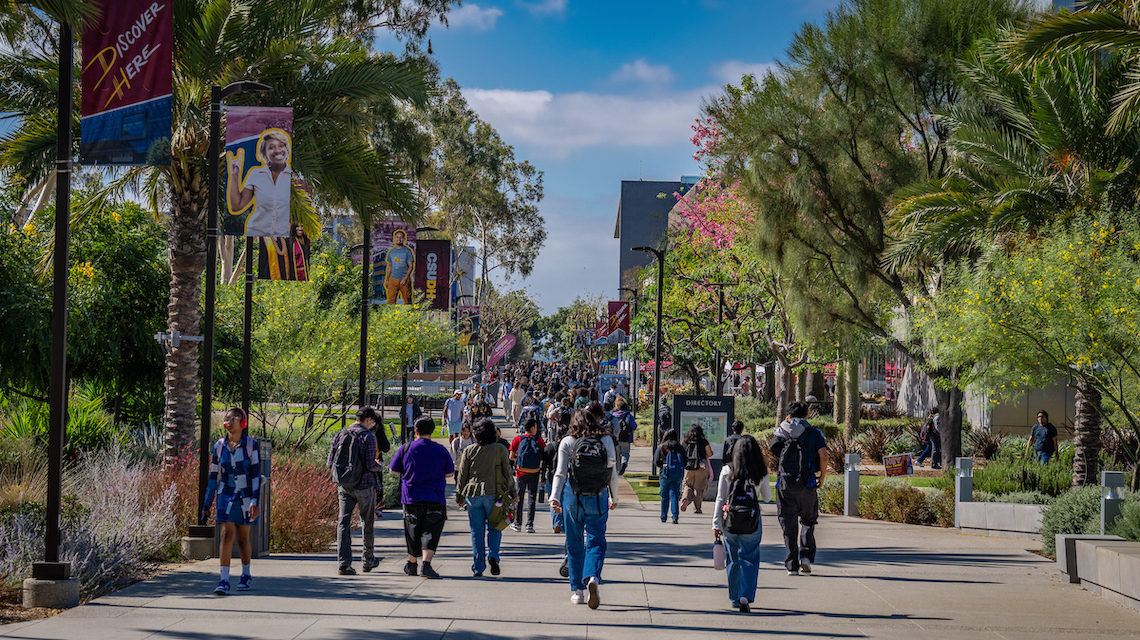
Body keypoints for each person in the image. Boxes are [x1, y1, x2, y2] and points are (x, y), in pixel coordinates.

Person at [551, 409, 620, 609]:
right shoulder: (605, 441)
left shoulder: (567, 442)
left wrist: (554, 497)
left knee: (574, 543)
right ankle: (592, 578)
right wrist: (613, 497)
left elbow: (560, 473)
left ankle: (577, 591)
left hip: (573, 497)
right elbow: (613, 473)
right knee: (596, 542)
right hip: (598, 497)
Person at [202, 408, 262, 595]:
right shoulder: (219, 446)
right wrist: (206, 505)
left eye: (234, 418)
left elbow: (255, 475)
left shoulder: (251, 445)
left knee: (243, 539)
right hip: (225, 495)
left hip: (245, 497)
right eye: (227, 418)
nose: (230, 421)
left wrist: (255, 501)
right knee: (226, 535)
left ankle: (245, 574)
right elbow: (213, 477)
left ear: (242, 422)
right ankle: (224, 580)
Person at [389, 416, 455, 579]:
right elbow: (450, 473)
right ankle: (426, 565)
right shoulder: (440, 450)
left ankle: (412, 564)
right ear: (432, 431)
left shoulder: (406, 448)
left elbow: (393, 469)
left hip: (411, 496)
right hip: (435, 496)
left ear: (415, 431)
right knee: (431, 531)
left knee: (412, 529)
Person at [712, 435, 772, 613]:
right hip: (752, 520)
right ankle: (745, 595)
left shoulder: (727, 471)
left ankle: (734, 597)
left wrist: (716, 523)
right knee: (750, 558)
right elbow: (768, 498)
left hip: (729, 521)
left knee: (733, 559)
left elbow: (720, 498)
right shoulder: (760, 471)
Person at [768, 402, 828, 576]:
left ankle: (791, 565)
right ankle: (806, 558)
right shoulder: (814, 433)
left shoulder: (782, 431)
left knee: (788, 524)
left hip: (784, 485)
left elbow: (773, 449)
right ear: (806, 416)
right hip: (807, 484)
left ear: (788, 415)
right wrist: (822, 477)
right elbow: (824, 455)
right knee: (809, 521)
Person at [326, 406, 386, 575]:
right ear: (367, 419)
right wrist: (380, 466)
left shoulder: (341, 434)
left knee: (343, 523)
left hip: (345, 486)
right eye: (372, 421)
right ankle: (368, 560)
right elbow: (370, 464)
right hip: (364, 485)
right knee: (367, 522)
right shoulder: (368, 437)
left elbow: (330, 462)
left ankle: (344, 563)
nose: (372, 424)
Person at [455, 417, 516, 577]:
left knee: (477, 531)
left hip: (473, 495)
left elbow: (462, 476)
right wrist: (513, 492)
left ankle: (478, 565)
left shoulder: (469, 450)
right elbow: (508, 474)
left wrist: (459, 496)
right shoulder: (500, 449)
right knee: (495, 527)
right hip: (494, 495)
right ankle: (494, 556)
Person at [226, 129, 291, 237]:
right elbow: (236, 206)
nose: (277, 150)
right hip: (256, 236)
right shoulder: (256, 174)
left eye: (281, 145)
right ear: (264, 153)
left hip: (283, 238)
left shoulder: (293, 177)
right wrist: (234, 175)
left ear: (287, 149)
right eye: (271, 147)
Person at [509, 418, 547, 533]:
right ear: (532, 428)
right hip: (534, 472)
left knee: (519, 498)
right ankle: (529, 525)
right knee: (531, 498)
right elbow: (542, 456)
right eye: (535, 427)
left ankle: (518, 523)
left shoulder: (518, 439)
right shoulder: (539, 440)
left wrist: (519, 460)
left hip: (521, 472)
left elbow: (511, 457)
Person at [680, 424, 714, 514]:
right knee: (698, 488)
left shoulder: (685, 441)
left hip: (689, 466)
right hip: (701, 466)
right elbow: (709, 454)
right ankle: (697, 508)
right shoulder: (703, 441)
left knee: (688, 485)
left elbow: (682, 453)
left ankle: (685, 499)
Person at [655, 428, 687, 524]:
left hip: (664, 474)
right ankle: (675, 517)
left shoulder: (662, 447)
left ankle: (663, 516)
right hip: (676, 474)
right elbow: (685, 461)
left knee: (664, 496)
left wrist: (663, 466)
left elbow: (656, 461)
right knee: (674, 495)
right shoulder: (679, 447)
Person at [385, 229, 415, 304]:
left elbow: (411, 267)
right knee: (390, 302)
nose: (399, 239)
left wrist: (405, 278)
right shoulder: (391, 251)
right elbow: (389, 266)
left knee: (408, 302)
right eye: (397, 237)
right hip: (393, 279)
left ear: (404, 239)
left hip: (405, 280)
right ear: (394, 239)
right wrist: (387, 279)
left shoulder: (408, 251)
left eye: (401, 237)